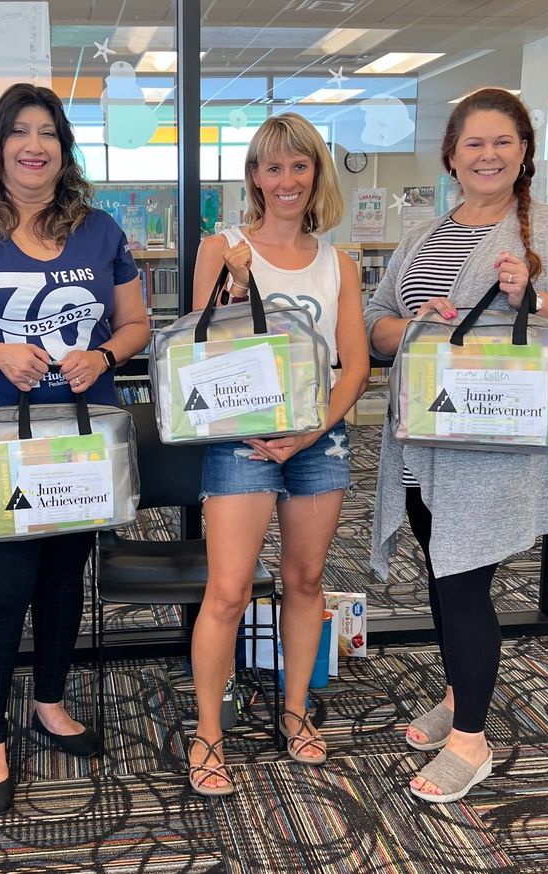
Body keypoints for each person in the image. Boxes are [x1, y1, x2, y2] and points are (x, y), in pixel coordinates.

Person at [0, 83, 150, 816]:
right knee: (2, 589)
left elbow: (136, 323)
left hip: (78, 439)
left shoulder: (99, 231)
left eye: (48, 132)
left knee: (63, 579)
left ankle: (47, 701)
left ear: (64, 149)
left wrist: (103, 356)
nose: (34, 145)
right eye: (20, 131)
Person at [364, 88, 548, 803]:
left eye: (503, 142)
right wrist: (414, 320)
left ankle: (472, 742)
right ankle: (456, 692)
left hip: (491, 442)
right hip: (420, 440)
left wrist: (531, 298)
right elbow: (378, 323)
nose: (488, 155)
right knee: (442, 573)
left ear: (525, 153)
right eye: (473, 143)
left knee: (462, 581)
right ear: (451, 155)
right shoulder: (425, 234)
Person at [187, 113, 369, 796]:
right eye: (271, 167)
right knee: (228, 590)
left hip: (318, 440)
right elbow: (196, 353)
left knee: (305, 581)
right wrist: (232, 288)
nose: (285, 180)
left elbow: (353, 365)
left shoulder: (338, 262)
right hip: (242, 439)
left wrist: (314, 430)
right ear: (254, 178)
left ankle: (294, 714)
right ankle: (208, 733)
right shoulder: (223, 246)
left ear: (315, 173)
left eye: (298, 166)